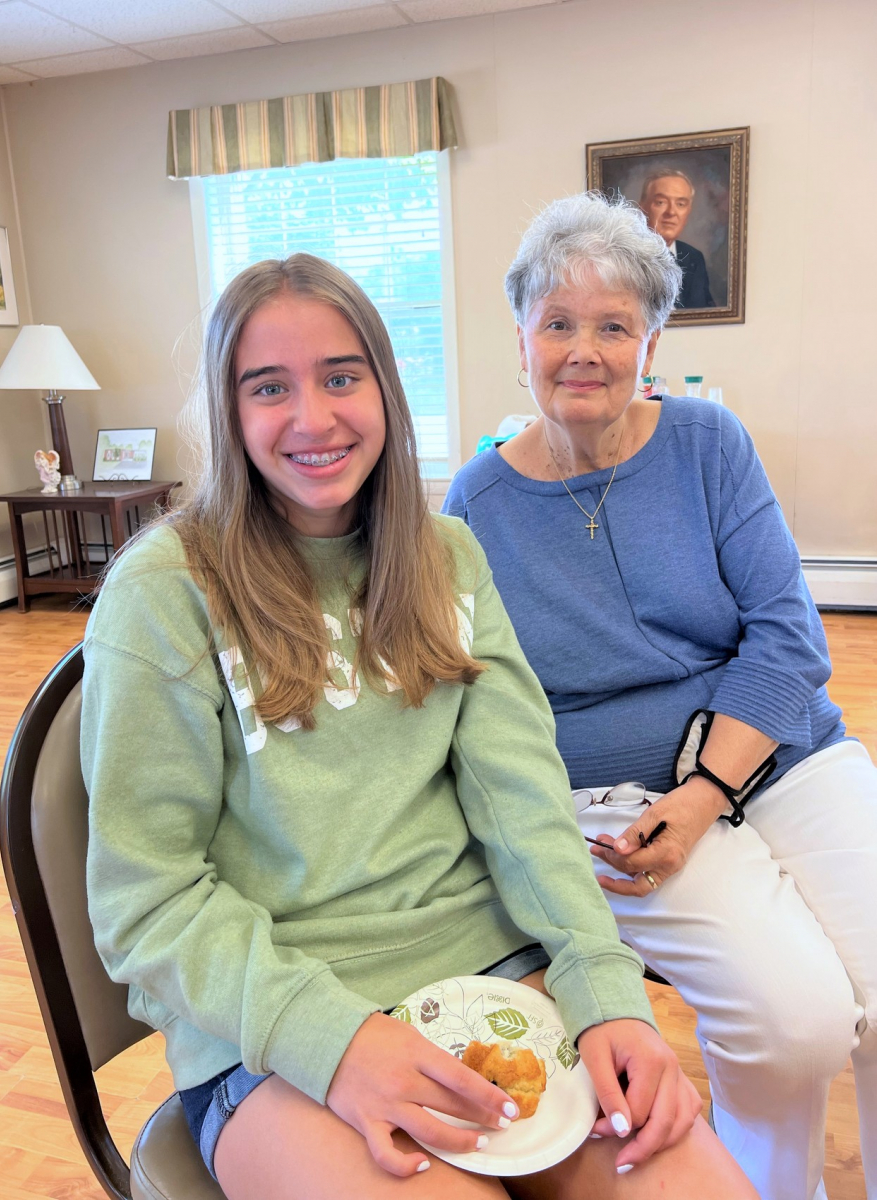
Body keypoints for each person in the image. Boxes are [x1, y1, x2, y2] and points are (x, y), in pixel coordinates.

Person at [81, 255, 756, 1200]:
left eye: (341, 377)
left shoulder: (448, 558)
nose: (313, 418)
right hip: (269, 1025)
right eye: (268, 387)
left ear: (387, 393)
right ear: (228, 411)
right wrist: (338, 1039)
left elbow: (524, 802)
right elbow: (144, 900)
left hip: (488, 975)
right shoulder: (162, 595)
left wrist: (608, 994)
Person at [442, 190, 877, 1200]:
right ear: (520, 341)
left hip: (781, 756)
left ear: (652, 340)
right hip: (617, 805)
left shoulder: (707, 444)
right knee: (795, 1019)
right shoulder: (475, 506)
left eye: (614, 325)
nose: (583, 349)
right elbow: (484, 702)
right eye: (559, 323)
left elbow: (786, 633)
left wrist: (709, 793)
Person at [638, 170, 715, 308]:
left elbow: (706, 314)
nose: (671, 212)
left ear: (688, 210)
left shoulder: (694, 258)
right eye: (661, 202)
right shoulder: (626, 256)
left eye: (680, 204)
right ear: (642, 207)